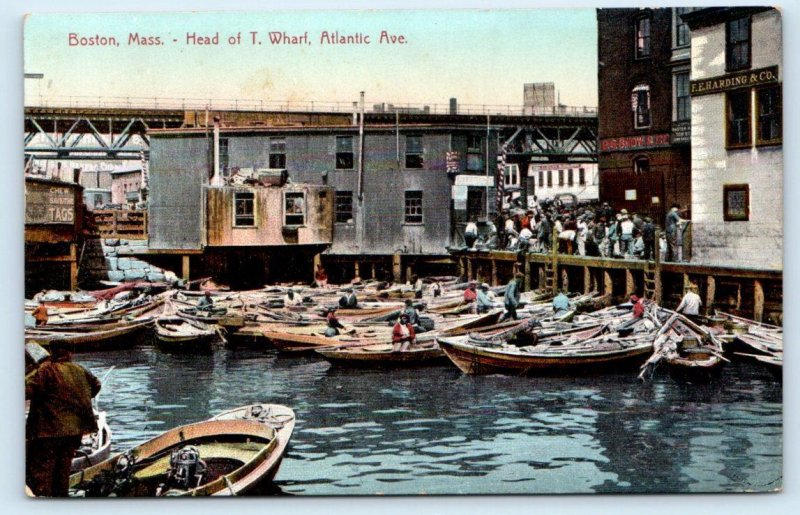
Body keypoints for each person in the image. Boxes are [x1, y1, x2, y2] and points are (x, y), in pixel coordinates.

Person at [26, 343, 101, 497]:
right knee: (62, 473)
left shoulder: (45, 370)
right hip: (74, 432)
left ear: (52, 352)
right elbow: (96, 385)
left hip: (48, 432)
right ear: (70, 353)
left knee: (42, 474)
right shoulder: (81, 370)